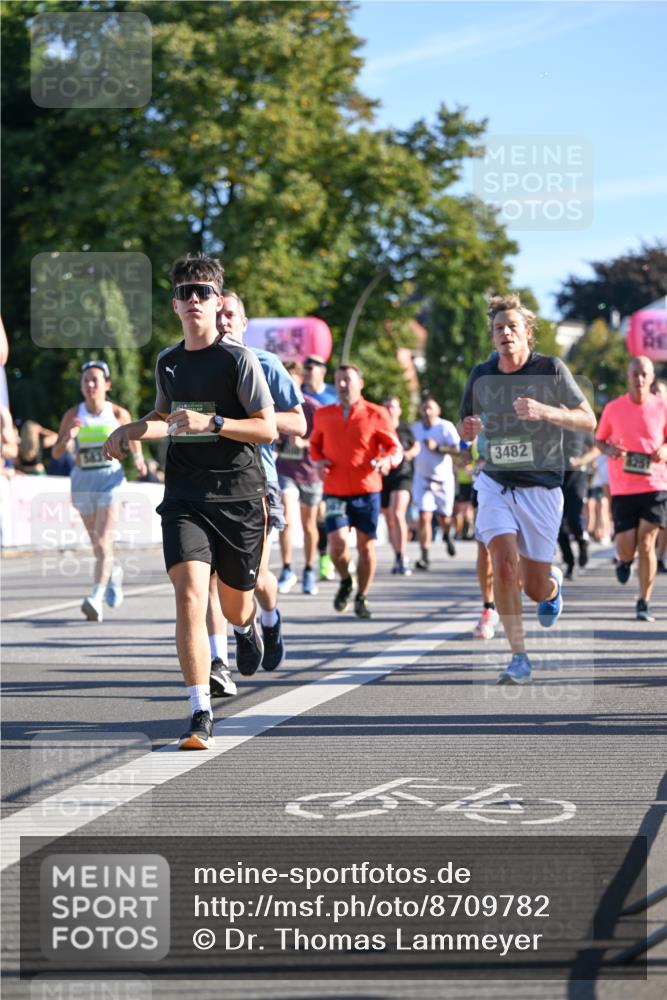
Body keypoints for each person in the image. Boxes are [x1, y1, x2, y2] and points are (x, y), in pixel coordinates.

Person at [104, 255, 277, 750]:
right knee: (189, 597)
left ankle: (247, 629)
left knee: (236, 605)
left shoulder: (238, 361)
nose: (194, 299)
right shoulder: (168, 361)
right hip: (185, 496)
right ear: (175, 303)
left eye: (203, 291)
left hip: (240, 497)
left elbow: (266, 429)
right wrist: (134, 428)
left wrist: (215, 424)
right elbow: (166, 417)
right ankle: (200, 711)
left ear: (219, 301)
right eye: (185, 292)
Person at [459, 293, 596, 684]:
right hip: (496, 482)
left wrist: (544, 411)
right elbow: (464, 427)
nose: (506, 333)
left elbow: (588, 420)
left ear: (528, 333)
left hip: (541, 487)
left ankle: (551, 587)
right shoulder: (481, 374)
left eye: (513, 327)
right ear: (493, 335)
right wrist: (466, 432)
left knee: (534, 588)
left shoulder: (550, 369)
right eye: (499, 328)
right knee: (502, 564)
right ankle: (519, 655)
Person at [205, 292, 306, 698]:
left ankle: (269, 616)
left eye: (232, 315)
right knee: (210, 578)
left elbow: (299, 425)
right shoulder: (199, 367)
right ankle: (217, 661)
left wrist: (246, 421)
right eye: (220, 314)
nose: (225, 321)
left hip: (258, 482)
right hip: (208, 485)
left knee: (252, 579)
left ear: (244, 323)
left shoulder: (265, 363)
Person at [52, 360, 146, 622]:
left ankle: (95, 596)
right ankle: (114, 572)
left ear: (107, 384)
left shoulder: (118, 414)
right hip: (83, 480)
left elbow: (134, 442)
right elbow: (56, 453)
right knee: (98, 545)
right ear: (81, 386)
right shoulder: (73, 414)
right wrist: (68, 437)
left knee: (104, 541)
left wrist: (138, 459)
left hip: (110, 480)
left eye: (95, 379)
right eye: (85, 380)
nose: (90, 384)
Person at [310, 364, 402, 619]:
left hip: (367, 490)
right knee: (337, 544)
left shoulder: (377, 413)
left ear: (360, 383)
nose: (342, 385)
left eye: (347, 380)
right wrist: (318, 462)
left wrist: (386, 462)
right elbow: (315, 446)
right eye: (338, 380)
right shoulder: (323, 414)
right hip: (336, 490)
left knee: (366, 547)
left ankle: (361, 595)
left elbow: (395, 448)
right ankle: (345, 580)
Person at [595, 355, 667, 621]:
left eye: (644, 374)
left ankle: (644, 601)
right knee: (627, 545)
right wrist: (610, 450)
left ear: (651, 378)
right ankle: (624, 561)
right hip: (624, 487)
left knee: (647, 541)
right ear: (628, 377)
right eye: (634, 374)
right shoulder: (613, 409)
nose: (639, 379)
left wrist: (664, 450)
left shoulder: (662, 407)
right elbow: (599, 440)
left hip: (656, 483)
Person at [277, 360, 323, 595]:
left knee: (308, 524)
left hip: (311, 473)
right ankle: (286, 569)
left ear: (300, 382)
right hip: (286, 470)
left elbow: (322, 441)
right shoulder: (275, 406)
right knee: (286, 514)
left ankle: (307, 570)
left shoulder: (313, 407)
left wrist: (304, 443)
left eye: (291, 380)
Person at [410, 396, 460, 570]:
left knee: (444, 518)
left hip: (443, 480)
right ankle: (424, 556)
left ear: (438, 410)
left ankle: (447, 534)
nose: (427, 411)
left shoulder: (445, 427)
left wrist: (438, 448)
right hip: (422, 479)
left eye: (430, 408)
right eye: (424, 408)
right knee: (424, 516)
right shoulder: (415, 428)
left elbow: (457, 449)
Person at [302, 354, 337, 581]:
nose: (307, 370)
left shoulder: (333, 394)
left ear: (322, 370)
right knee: (316, 516)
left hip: (333, 462)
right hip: (305, 463)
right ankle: (324, 558)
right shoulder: (298, 393)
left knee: (326, 514)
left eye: (312, 366)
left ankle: (330, 555)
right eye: (305, 367)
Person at [380, 395, 419, 575]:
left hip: (403, 475)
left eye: (393, 406)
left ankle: (403, 555)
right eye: (386, 406)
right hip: (384, 475)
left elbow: (416, 446)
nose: (390, 410)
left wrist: (409, 453)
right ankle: (397, 554)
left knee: (397, 513)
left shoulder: (405, 428)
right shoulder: (378, 427)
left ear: (399, 410)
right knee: (389, 518)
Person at [556, 429, 597, 579]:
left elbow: (597, 448)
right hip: (555, 478)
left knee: (573, 519)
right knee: (558, 526)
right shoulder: (550, 422)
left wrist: (581, 461)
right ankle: (569, 563)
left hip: (577, 479)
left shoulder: (581, 424)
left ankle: (582, 542)